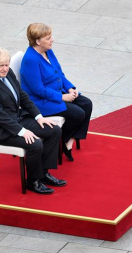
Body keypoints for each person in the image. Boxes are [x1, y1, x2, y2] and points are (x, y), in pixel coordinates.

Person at [0, 47, 66, 194]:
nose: (5, 69)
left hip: (17, 118)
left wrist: (39, 117)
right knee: (35, 144)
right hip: (1, 129)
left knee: (54, 130)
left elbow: (22, 96)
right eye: (1, 66)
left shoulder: (8, 72)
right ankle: (33, 181)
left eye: (7, 64)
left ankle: (44, 173)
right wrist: (22, 132)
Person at [20, 23, 92, 162]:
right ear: (37, 41)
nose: (52, 40)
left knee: (87, 104)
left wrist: (70, 88)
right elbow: (38, 90)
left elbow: (60, 74)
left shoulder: (48, 51)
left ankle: (68, 139)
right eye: (48, 38)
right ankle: (63, 140)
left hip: (56, 93)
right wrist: (62, 97)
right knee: (78, 113)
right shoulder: (30, 60)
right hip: (41, 102)